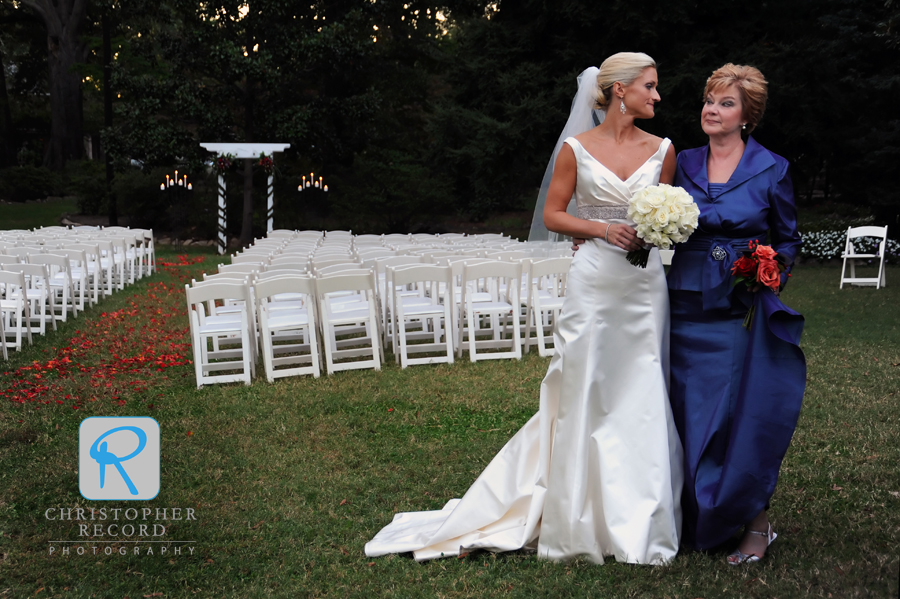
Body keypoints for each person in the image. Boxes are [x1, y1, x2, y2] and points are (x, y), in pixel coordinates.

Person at [365, 52, 684, 565]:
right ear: (620, 90)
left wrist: (664, 228)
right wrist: (602, 229)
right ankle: (575, 516)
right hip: (595, 281)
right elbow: (554, 214)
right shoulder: (575, 149)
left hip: (644, 286)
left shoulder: (664, 149)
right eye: (649, 85)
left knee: (642, 386)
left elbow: (668, 210)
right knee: (583, 388)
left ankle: (640, 520)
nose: (657, 96)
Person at [666, 64, 806, 564]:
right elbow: (645, 210)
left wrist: (771, 271)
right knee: (681, 410)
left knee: (734, 414)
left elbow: (786, 240)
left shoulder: (773, 167)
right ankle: (692, 516)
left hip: (736, 308)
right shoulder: (680, 161)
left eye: (726, 103)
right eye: (709, 99)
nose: (712, 109)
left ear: (747, 115)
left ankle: (757, 522)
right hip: (680, 302)